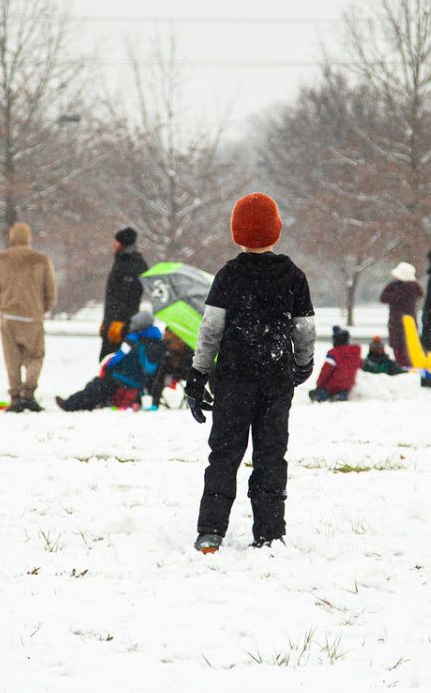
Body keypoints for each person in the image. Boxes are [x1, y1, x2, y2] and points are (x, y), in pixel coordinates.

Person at [185, 193, 315, 554]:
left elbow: (210, 330)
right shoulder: (294, 277)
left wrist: (197, 375)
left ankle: (210, 529)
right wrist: (302, 364)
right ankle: (269, 532)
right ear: (277, 231)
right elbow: (304, 329)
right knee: (271, 455)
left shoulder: (228, 275)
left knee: (224, 455)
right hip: (276, 380)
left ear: (236, 233)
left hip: (233, 379)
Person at [0, 221, 57, 413]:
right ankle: (29, 392)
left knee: (12, 359)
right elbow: (50, 291)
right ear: (29, 237)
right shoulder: (41, 260)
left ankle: (15, 397)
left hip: (9, 316)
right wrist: (41, 310)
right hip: (33, 317)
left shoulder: (1, 259)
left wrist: (2, 307)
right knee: (35, 356)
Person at [57, 311, 166, 411]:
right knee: (96, 388)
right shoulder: (156, 339)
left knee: (94, 388)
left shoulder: (134, 339)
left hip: (124, 378)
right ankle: (72, 403)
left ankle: (69, 404)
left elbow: (118, 357)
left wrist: (108, 367)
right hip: (138, 382)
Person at [99, 227, 148, 360]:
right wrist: (106, 320)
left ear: (123, 244)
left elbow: (129, 297)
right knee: (109, 361)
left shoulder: (132, 264)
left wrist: (118, 321)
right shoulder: (122, 261)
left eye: (116, 242)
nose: (113, 245)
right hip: (113, 320)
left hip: (122, 323)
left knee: (115, 360)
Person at [379, 262, 423, 367]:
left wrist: (393, 288)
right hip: (401, 323)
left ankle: (403, 369)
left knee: (402, 350)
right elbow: (384, 298)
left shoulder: (407, 289)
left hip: (401, 324)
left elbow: (387, 298)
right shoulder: (410, 288)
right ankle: (403, 367)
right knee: (402, 349)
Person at [309, 326, 363, 402]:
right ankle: (342, 394)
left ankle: (328, 396)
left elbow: (325, 371)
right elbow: (361, 365)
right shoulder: (355, 353)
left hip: (333, 386)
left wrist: (319, 385)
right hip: (348, 386)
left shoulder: (334, 353)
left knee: (312, 394)